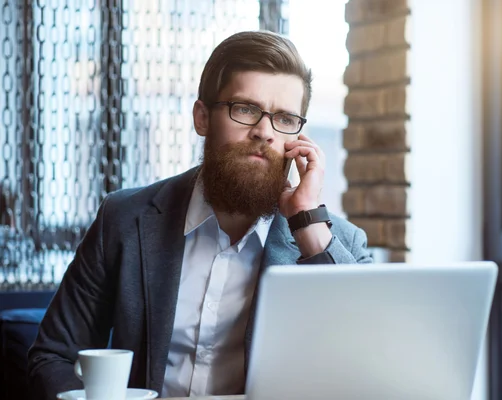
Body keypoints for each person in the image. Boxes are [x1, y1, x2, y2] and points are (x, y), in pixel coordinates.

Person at [28, 30, 373, 399]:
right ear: (202, 118)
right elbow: (52, 357)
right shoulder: (124, 219)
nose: (264, 132)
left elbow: (371, 363)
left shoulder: (336, 240)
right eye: (245, 109)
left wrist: (306, 221)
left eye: (285, 119)